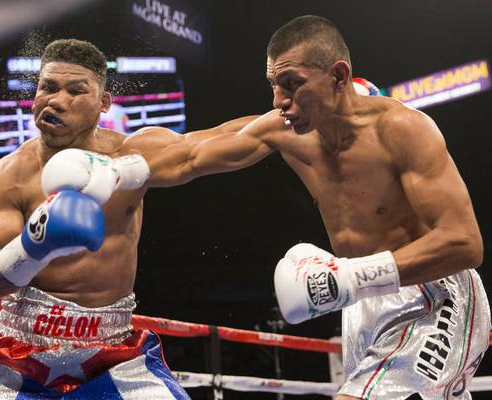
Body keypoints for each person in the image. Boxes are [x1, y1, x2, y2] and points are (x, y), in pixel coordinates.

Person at [46, 16, 490, 400]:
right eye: (274, 85)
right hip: (361, 302)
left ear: (338, 77)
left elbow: (465, 244)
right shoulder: (286, 130)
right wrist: (113, 171)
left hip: (435, 292)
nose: (279, 101)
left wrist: (350, 277)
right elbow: (191, 155)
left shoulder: (402, 130)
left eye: (292, 84)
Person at [0, 39, 257, 399]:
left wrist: (294, 114)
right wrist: (33, 246)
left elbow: (227, 141)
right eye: (48, 87)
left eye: (76, 91)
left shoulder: (131, 155)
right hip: (14, 356)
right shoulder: (9, 174)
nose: (57, 101)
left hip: (113, 355)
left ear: (104, 102)